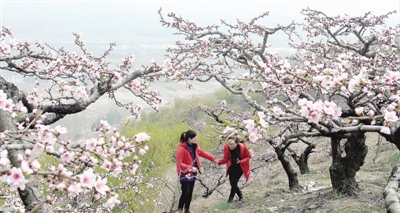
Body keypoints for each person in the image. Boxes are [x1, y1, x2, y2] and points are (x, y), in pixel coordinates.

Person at [173, 130, 217, 213]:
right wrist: (190, 168)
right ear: (189, 138)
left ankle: (187, 209)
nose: (196, 139)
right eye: (194, 138)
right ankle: (179, 210)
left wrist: (213, 159)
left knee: (190, 192)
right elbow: (179, 163)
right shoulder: (181, 148)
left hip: (193, 172)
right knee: (185, 191)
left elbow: (203, 153)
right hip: (184, 173)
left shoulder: (195, 146)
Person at [218, 136, 252, 203]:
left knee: (234, 182)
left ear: (237, 143)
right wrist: (219, 162)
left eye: (232, 144)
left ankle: (230, 200)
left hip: (240, 166)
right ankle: (240, 195)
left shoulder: (242, 147)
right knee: (232, 183)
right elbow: (226, 159)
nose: (230, 146)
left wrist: (240, 161)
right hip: (232, 166)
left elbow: (248, 156)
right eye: (229, 144)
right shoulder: (226, 147)